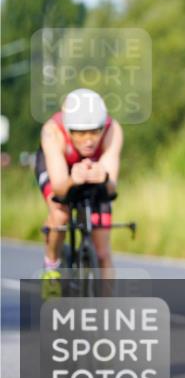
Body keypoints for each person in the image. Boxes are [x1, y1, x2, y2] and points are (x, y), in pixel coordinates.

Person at [37, 88, 123, 288]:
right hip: (60, 170)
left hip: (95, 171)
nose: (89, 140)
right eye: (81, 132)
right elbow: (58, 188)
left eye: (95, 131)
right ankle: (51, 267)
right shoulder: (52, 131)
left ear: (102, 127)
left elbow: (111, 190)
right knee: (60, 215)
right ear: (68, 129)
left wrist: (105, 176)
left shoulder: (113, 130)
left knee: (102, 253)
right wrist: (72, 180)